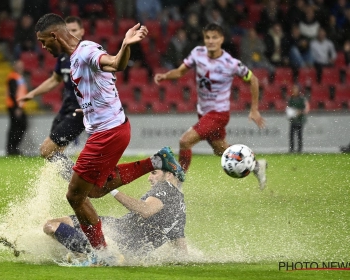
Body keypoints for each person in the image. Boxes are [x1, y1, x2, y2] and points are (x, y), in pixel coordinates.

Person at [34, 13, 185, 264]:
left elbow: (115, 64)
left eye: (42, 41)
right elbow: (101, 84)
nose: (42, 47)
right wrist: (90, 108)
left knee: (75, 196)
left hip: (107, 134)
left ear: (53, 35)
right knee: (93, 191)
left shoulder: (84, 52)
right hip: (112, 129)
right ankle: (157, 161)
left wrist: (125, 45)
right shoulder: (77, 55)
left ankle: (102, 254)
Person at [154, 23, 267, 190]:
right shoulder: (197, 53)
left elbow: (253, 80)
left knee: (185, 142)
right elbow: (180, 71)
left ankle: (177, 184)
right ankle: (257, 166)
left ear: (221, 39)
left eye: (215, 37)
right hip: (204, 113)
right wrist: (165, 76)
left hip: (219, 114)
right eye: (207, 37)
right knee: (221, 150)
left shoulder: (230, 63)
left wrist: (254, 109)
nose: (211, 41)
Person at [43, 168, 187, 264]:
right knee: (56, 225)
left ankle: (97, 254)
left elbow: (145, 210)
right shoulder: (180, 208)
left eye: (154, 173)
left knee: (50, 226)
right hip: (124, 241)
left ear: (169, 175)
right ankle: (86, 252)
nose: (149, 178)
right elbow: (181, 250)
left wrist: (111, 189)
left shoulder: (166, 187)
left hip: (118, 233)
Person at [18, 16, 85, 181]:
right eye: (68, 31)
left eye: (75, 30)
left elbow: (107, 76)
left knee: (47, 150)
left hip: (81, 109)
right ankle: (76, 184)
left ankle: (80, 183)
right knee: (55, 152)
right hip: (67, 106)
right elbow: (55, 79)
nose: (70, 34)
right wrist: (33, 93)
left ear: (82, 31)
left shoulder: (87, 53)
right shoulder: (63, 57)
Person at [6, 60, 28, 156]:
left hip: (18, 106)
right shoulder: (13, 77)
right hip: (14, 106)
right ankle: (12, 148)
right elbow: (13, 93)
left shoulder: (19, 77)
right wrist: (17, 107)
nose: (21, 67)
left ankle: (13, 148)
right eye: (18, 66)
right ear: (14, 66)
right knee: (16, 127)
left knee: (18, 127)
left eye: (21, 65)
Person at [287, 84, 309, 153]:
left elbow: (306, 109)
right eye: (293, 89)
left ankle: (299, 149)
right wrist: (290, 113)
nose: (294, 91)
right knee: (291, 135)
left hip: (300, 120)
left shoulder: (302, 99)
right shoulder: (291, 99)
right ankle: (291, 149)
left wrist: (300, 112)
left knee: (299, 135)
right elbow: (288, 108)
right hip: (293, 120)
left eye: (296, 89)